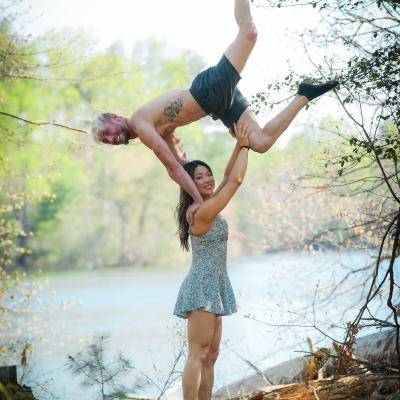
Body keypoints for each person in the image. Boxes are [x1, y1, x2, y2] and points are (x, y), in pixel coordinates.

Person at [91, 0, 338, 222]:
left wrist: (198, 201)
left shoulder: (141, 125)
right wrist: (200, 197)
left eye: (108, 133)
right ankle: (304, 94)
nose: (112, 139)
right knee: (261, 143)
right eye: (108, 141)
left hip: (207, 91)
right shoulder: (154, 127)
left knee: (248, 33)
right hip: (219, 106)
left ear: (114, 117)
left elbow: (173, 169)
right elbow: (183, 165)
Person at [173, 122, 250, 400]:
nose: (207, 179)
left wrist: (239, 144)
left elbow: (230, 174)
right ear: (188, 184)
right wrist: (247, 144)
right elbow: (236, 181)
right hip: (202, 287)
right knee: (197, 353)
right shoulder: (203, 212)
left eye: (208, 174)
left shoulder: (208, 205)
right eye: (199, 177)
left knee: (211, 354)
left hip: (215, 285)